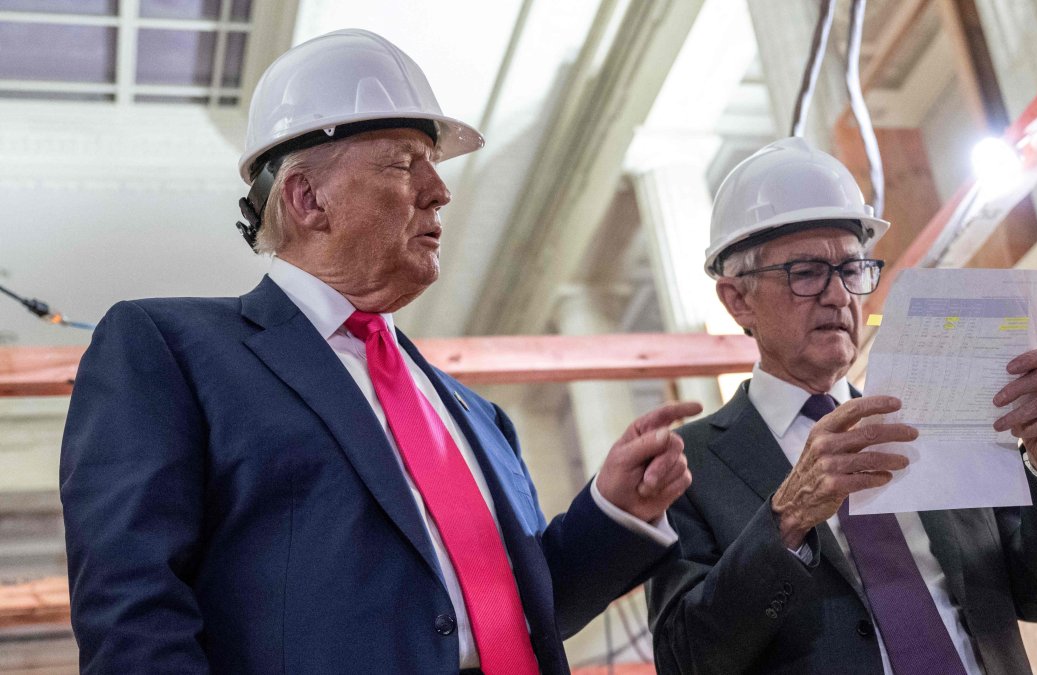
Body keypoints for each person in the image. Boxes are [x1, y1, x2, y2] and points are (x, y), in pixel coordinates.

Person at [60, 29, 698, 675]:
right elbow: (132, 610)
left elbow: (514, 615)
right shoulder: (170, 348)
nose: (439, 190)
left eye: (434, 164)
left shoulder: (476, 414)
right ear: (307, 199)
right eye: (402, 163)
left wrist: (618, 510)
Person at [646, 137, 1037, 675]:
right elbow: (685, 659)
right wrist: (785, 520)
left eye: (852, 269)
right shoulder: (685, 465)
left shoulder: (933, 418)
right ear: (737, 299)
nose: (838, 295)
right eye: (806, 272)